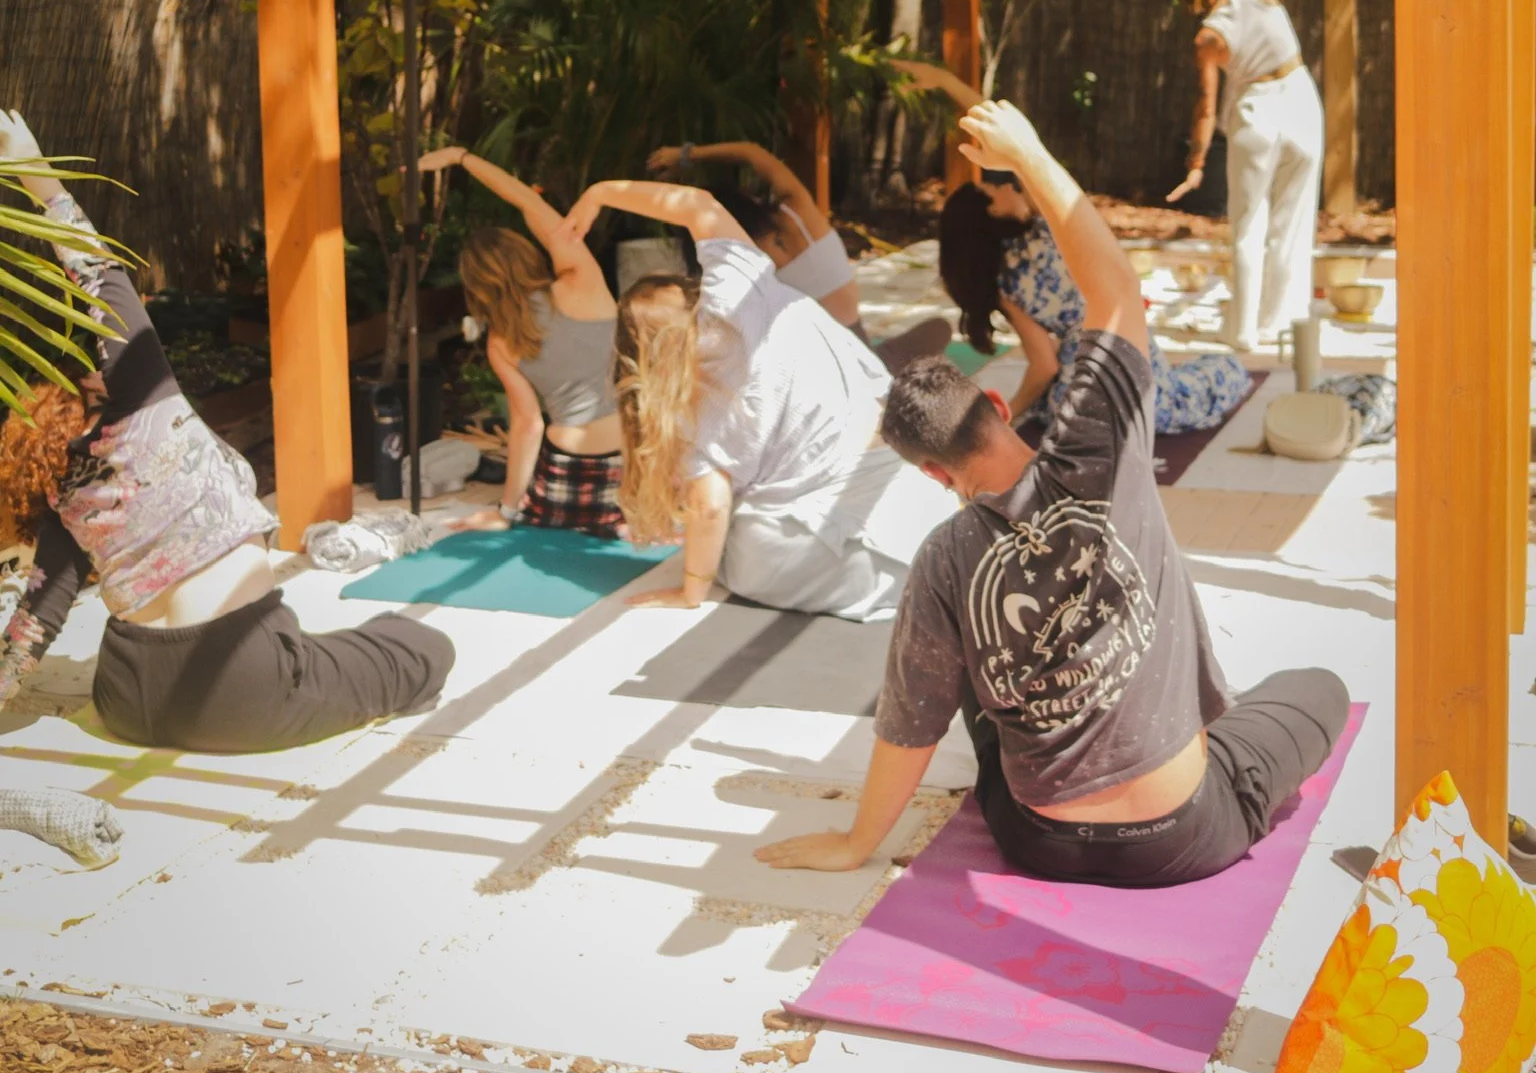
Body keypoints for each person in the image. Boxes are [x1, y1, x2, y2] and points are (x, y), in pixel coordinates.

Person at [756, 98, 1348, 889]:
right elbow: (1114, 291)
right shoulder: (1103, 449)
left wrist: (856, 844)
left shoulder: (942, 560)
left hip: (1037, 838)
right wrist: (1028, 153)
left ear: (934, 475)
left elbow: (910, 726)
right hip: (1179, 835)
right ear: (997, 406)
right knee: (1318, 690)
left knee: (958, 657)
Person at [0, 112, 453, 751]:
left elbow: (30, 631)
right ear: (94, 384)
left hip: (127, 697)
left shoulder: (62, 503)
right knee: (422, 645)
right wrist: (35, 171)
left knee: (326, 647)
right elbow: (99, 275)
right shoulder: (144, 401)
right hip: (237, 684)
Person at [562, 176, 950, 619]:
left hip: (842, 543)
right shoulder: (740, 288)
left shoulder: (690, 406)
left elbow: (710, 505)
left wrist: (692, 589)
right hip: (919, 485)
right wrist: (599, 193)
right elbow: (698, 204)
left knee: (739, 542)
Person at [906, 59, 1249, 435]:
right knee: (1226, 369)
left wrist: (1011, 414)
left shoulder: (1001, 282)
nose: (1007, 186)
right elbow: (1022, 146)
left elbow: (1045, 368)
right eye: (995, 189)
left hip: (1077, 398)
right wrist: (948, 81)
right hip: (1123, 364)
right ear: (988, 213)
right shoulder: (1048, 225)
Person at [1159, 0, 1324, 350]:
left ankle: (1246, 332)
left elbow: (1207, 107)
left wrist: (1197, 162)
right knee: (1292, 223)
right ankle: (1282, 324)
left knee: (1248, 226)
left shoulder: (1207, 37)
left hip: (1256, 112)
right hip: (1298, 96)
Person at [421, 147, 622, 535]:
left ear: (476, 285)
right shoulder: (582, 280)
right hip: (639, 467)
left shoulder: (501, 342)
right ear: (527, 253)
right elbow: (529, 201)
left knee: (546, 512)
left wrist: (508, 510)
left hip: (572, 473)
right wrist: (462, 157)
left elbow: (528, 425)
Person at [646, 138, 948, 369]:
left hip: (820, 359)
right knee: (934, 332)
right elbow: (753, 153)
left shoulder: (737, 263)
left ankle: (873, 368)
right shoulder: (799, 212)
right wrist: (686, 155)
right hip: (835, 349)